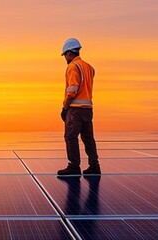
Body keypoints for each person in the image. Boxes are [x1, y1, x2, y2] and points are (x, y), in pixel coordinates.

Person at [57, 38, 100, 175]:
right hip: (88, 110)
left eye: (65, 55)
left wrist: (65, 108)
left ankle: (74, 166)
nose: (65, 58)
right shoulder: (89, 68)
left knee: (70, 137)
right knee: (88, 138)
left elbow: (72, 90)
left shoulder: (72, 67)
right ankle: (94, 165)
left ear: (69, 53)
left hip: (75, 109)